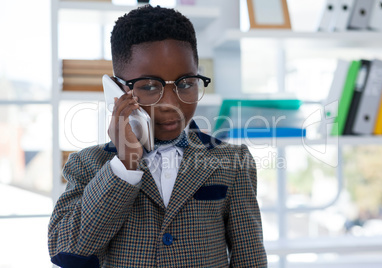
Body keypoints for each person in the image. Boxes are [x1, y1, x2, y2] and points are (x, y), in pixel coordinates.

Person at [48, 5, 267, 267]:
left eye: (186, 83)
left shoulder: (232, 161)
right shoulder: (88, 164)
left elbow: (250, 260)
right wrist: (125, 165)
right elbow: (67, 253)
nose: (172, 103)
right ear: (117, 91)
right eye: (150, 86)